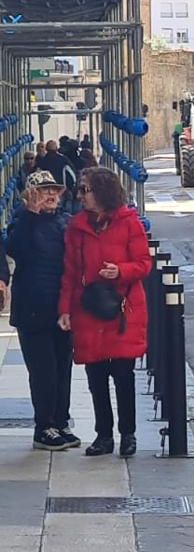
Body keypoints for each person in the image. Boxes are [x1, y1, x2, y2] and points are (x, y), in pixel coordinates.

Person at [58, 167, 150, 458]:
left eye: (86, 189)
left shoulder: (128, 222)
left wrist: (119, 271)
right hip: (89, 309)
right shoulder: (77, 227)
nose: (80, 195)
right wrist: (64, 310)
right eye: (81, 190)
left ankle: (128, 434)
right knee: (95, 377)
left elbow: (144, 263)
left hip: (122, 308)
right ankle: (103, 435)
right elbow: (70, 272)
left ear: (102, 192)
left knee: (123, 375)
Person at [5, 171, 79, 451]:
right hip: (33, 308)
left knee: (63, 368)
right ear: (30, 195)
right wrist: (30, 215)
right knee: (43, 371)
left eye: (54, 190)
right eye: (43, 190)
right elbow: (14, 250)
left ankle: (60, 421)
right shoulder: (22, 222)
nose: (50, 195)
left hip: (62, 308)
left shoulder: (65, 221)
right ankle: (43, 426)